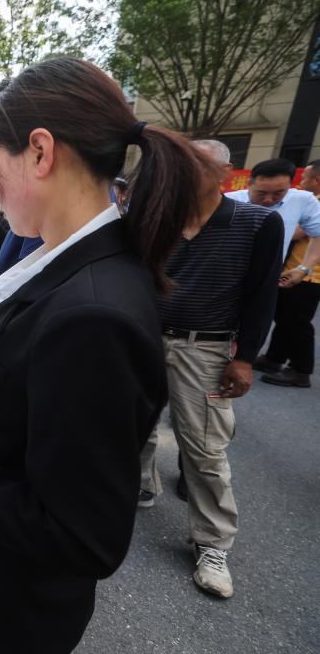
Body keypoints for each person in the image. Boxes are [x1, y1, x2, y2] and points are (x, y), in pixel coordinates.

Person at [0, 57, 205, 652]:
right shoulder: (69, 265)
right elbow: (26, 380)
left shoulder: (94, 313)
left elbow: (79, 535)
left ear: (40, 152)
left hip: (6, 611)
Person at [137, 140, 283, 599]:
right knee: (135, 424)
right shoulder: (160, 219)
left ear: (225, 172)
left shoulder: (257, 222)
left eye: (197, 166)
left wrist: (245, 358)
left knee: (203, 447)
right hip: (147, 336)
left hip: (206, 346)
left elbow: (263, 295)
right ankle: (141, 486)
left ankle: (213, 543)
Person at [257, 159, 320, 387]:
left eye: (304, 178)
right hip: (292, 269)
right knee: (284, 317)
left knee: (297, 321)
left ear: (317, 180)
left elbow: (295, 232)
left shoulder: (311, 203)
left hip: (309, 274)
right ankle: (274, 359)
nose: (300, 183)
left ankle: (301, 370)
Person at [227, 158, 320, 287]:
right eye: (261, 193)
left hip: (269, 280)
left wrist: (304, 268)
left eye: (278, 193)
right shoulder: (229, 202)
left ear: (289, 185)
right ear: (249, 183)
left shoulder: (303, 200)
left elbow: (318, 234)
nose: (268, 200)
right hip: (225, 277)